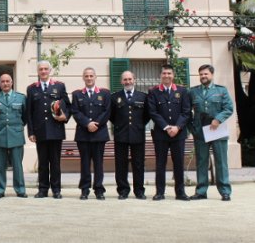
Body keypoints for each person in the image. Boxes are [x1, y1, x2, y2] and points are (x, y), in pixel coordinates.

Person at [188, 64, 234, 201]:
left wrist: (218, 119)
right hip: (200, 131)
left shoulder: (221, 91)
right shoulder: (193, 92)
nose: (203, 76)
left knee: (221, 161)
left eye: (205, 74)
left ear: (211, 75)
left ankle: (225, 191)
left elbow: (229, 108)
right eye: (201, 74)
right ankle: (201, 191)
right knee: (201, 161)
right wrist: (192, 128)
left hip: (217, 130)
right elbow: (186, 111)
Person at [147, 64, 191, 201]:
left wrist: (177, 127)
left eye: (169, 73)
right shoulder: (153, 92)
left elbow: (186, 112)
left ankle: (180, 192)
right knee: (160, 164)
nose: (166, 76)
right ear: (160, 75)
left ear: (173, 75)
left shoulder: (182, 91)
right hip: (161, 134)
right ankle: (160, 192)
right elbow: (153, 112)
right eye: (164, 73)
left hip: (179, 134)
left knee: (179, 163)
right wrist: (166, 127)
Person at [26, 60, 69, 199]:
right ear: (38, 72)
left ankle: (56, 189)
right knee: (43, 163)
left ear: (50, 71)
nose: (43, 71)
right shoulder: (32, 88)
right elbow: (29, 112)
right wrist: (31, 132)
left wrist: (65, 116)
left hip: (56, 130)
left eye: (45, 69)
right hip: (40, 132)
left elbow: (68, 105)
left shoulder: (59, 86)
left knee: (55, 163)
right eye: (41, 69)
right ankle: (43, 189)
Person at [71, 67, 111, 200]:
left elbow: (107, 111)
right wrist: (87, 123)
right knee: (85, 163)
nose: (89, 78)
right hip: (83, 134)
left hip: (99, 134)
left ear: (95, 77)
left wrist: (96, 124)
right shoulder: (77, 94)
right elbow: (75, 112)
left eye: (91, 76)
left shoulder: (104, 94)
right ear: (83, 78)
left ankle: (99, 189)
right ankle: (85, 189)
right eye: (86, 76)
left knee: (99, 163)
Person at [109, 71, 150, 200]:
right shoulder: (115, 97)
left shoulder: (143, 97)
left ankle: (139, 191)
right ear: (121, 81)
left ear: (134, 80)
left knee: (138, 164)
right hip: (121, 134)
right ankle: (123, 190)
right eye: (125, 79)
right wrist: (121, 125)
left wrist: (138, 125)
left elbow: (147, 116)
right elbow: (111, 115)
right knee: (121, 164)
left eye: (130, 79)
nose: (127, 82)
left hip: (137, 134)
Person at [0, 73, 28, 199]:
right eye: (3, 81)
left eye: (7, 81)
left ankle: (20, 189)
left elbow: (25, 117)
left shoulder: (21, 98)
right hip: (0, 135)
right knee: (0, 165)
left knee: (17, 165)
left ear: (12, 83)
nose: (5, 83)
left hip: (16, 135)